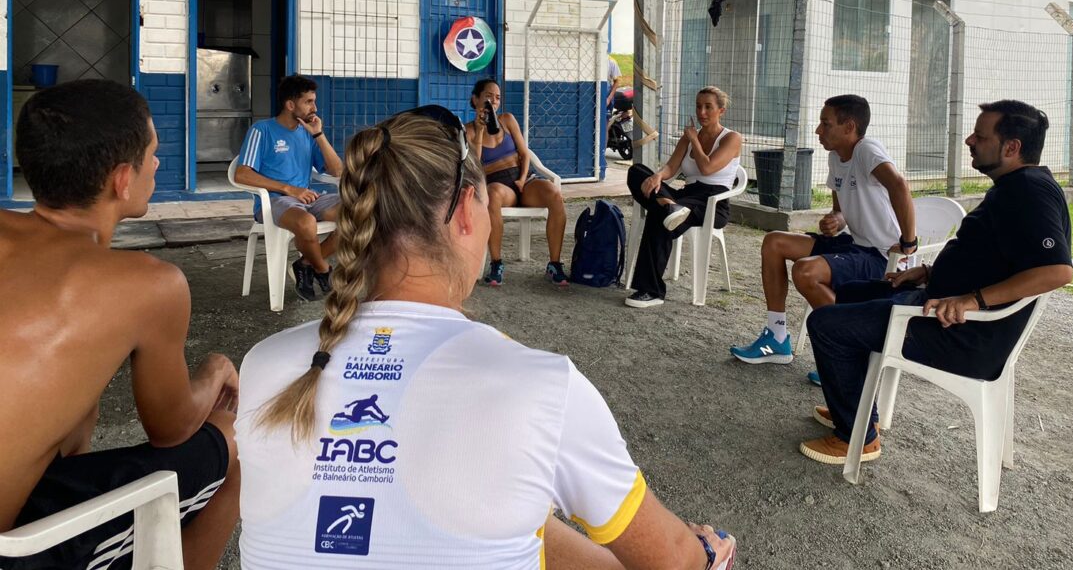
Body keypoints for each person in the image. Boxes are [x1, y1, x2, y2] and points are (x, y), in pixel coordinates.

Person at [234, 106, 736, 570]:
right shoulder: (541, 386)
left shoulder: (265, 364)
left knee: (519, 508)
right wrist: (707, 553)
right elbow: (673, 562)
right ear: (464, 213)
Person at [1, 80, 240, 570]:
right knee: (237, 437)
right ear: (123, 180)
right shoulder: (148, 284)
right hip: (14, 553)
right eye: (153, 153)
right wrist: (216, 368)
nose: (159, 162)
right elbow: (172, 430)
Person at [799, 100, 1073, 465]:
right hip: (940, 305)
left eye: (980, 136)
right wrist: (929, 272)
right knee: (849, 295)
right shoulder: (1014, 187)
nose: (969, 140)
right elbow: (993, 259)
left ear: (1012, 147)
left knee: (826, 324)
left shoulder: (1029, 193)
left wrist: (972, 300)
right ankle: (858, 410)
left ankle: (858, 439)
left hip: (961, 333)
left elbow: (1057, 271)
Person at [730, 95, 916, 374]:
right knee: (774, 242)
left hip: (881, 256)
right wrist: (836, 221)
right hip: (855, 244)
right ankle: (777, 337)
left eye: (825, 124)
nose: (818, 130)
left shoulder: (866, 149)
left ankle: (850, 353)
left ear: (849, 127)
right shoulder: (835, 156)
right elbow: (839, 211)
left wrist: (909, 243)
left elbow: (899, 185)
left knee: (806, 272)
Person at [625, 86, 742, 309]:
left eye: (708, 107)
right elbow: (671, 167)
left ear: (721, 111)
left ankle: (651, 291)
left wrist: (694, 140)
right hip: (685, 196)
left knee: (659, 218)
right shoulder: (688, 137)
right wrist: (658, 176)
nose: (702, 112)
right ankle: (668, 205)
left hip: (712, 201)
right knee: (637, 172)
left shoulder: (732, 138)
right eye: (698, 106)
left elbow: (707, 168)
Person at [236, 74, 343, 301]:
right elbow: (242, 174)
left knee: (360, 214)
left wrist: (318, 135)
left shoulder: (308, 133)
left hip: (308, 198)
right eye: (308, 102)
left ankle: (306, 264)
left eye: (314, 101)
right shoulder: (261, 130)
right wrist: (288, 189)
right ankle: (323, 269)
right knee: (306, 223)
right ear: (290, 105)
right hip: (274, 201)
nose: (315, 108)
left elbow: (337, 171)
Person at [465, 79, 568, 286]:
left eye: (497, 98)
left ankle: (555, 264)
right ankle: (496, 264)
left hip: (523, 180)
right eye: (488, 97)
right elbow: (475, 163)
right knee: (493, 194)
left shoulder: (507, 120)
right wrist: (480, 131)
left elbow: (524, 153)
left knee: (554, 193)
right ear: (476, 99)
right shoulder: (468, 130)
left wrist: (522, 179)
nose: (493, 102)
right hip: (499, 186)